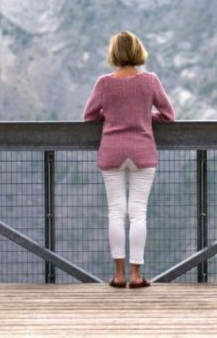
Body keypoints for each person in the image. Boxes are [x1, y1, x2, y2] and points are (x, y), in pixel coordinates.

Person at [83, 31, 175, 289]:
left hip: (112, 150)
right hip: (142, 151)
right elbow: (168, 115)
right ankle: (136, 275)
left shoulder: (104, 83)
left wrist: (112, 118)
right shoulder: (150, 81)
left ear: (113, 53)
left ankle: (119, 275)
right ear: (138, 51)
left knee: (116, 211)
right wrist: (144, 119)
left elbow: (89, 116)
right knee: (138, 213)